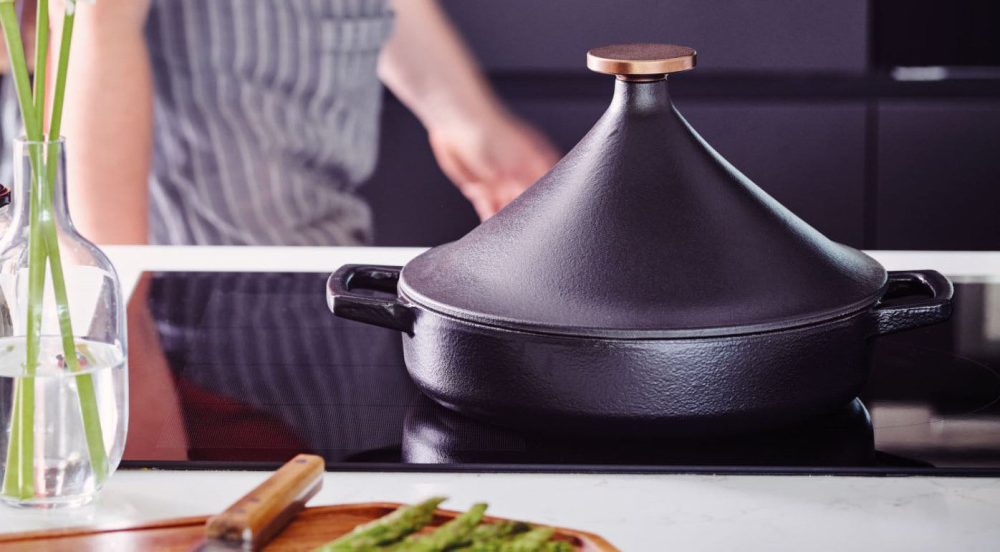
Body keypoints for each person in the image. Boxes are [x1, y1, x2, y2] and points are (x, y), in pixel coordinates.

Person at [2, 0, 560, 245]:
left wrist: (476, 128)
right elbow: (86, 19)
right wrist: (120, 309)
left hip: (311, 272)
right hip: (154, 292)